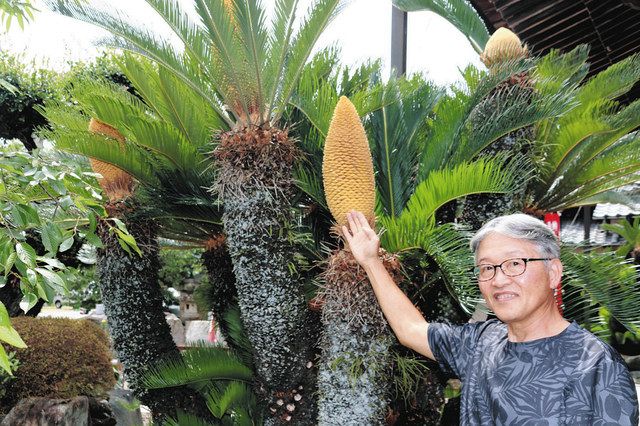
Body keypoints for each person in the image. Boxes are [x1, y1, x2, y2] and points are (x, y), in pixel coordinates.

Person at [343, 210, 639, 425]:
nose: (498, 280)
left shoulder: (595, 364)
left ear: (553, 273)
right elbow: (410, 329)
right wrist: (371, 261)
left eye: (514, 264)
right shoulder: (480, 344)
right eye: (487, 268)